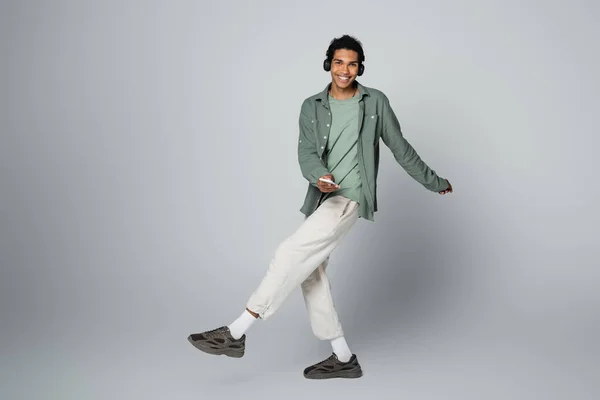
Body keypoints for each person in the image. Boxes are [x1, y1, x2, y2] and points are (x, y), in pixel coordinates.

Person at [187, 34, 453, 380]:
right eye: (339, 62)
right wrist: (318, 176)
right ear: (329, 64)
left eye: (353, 63)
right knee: (310, 273)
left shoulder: (375, 102)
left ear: (360, 67)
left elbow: (400, 147)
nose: (345, 70)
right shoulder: (311, 106)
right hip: (323, 197)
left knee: (289, 253)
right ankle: (343, 358)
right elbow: (307, 153)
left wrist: (435, 182)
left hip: (351, 197)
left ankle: (236, 333)